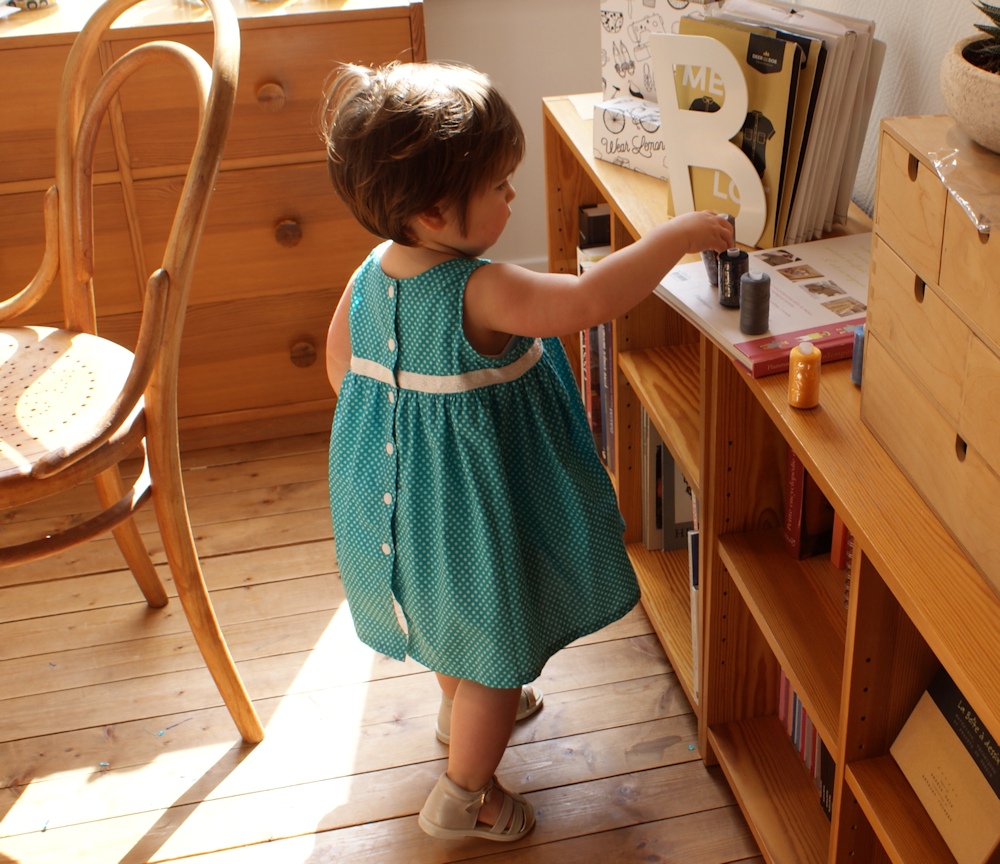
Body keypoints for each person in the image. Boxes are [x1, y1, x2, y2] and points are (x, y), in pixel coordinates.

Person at [320, 60, 734, 843]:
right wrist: (678, 235)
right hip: (471, 510)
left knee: (446, 620)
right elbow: (589, 301)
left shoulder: (371, 273)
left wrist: (411, 429)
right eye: (501, 184)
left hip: (393, 500)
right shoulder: (481, 289)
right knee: (497, 663)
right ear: (438, 210)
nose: (514, 196)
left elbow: (342, 370)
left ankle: (457, 711)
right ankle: (466, 793)